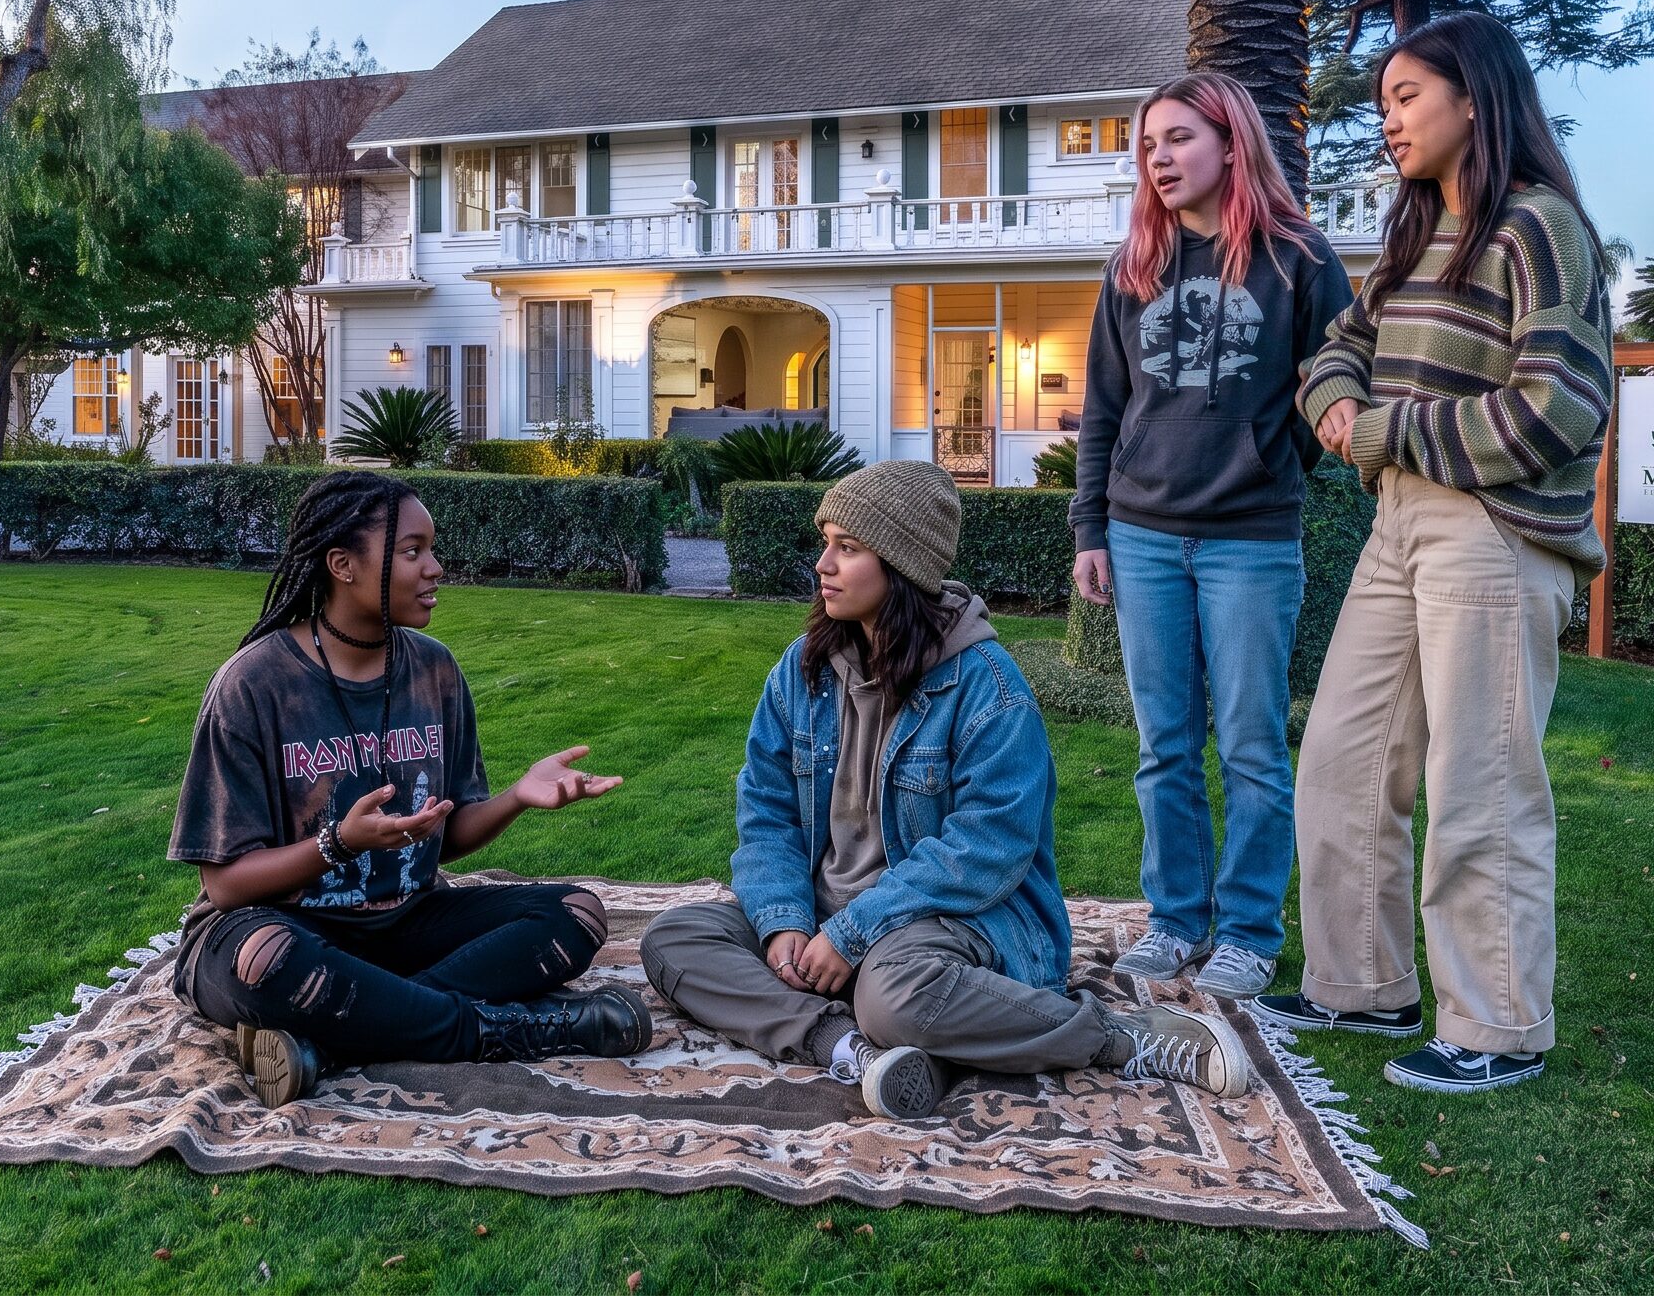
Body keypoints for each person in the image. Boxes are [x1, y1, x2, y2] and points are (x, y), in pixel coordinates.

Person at [641, 460, 1252, 1121]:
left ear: (901, 565)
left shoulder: (988, 686)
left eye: (847, 548)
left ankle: (1117, 1037)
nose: (823, 564)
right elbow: (767, 813)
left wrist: (850, 934)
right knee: (675, 939)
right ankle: (853, 1049)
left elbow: (988, 849)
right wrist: (783, 921)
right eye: (826, 543)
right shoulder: (804, 671)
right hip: (827, 913)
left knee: (893, 994)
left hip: (958, 921)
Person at [1256, 11, 1615, 1094]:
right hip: (1396, 519)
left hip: (1493, 527)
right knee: (1342, 758)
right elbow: (1338, 349)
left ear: (1474, 98)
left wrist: (1380, 429)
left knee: (1481, 781)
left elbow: (1558, 406)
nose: (1388, 121)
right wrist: (1334, 403)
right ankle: (1359, 983)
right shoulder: (1413, 236)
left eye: (1405, 96)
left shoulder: (1535, 226)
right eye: (1381, 105)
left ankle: (1496, 1025)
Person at [169, 469, 649, 1107]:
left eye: (432, 550)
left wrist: (514, 797)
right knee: (263, 958)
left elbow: (444, 840)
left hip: (404, 921)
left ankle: (339, 1037)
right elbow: (224, 884)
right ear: (342, 564)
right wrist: (337, 844)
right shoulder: (254, 685)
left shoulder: (434, 669)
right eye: (411, 551)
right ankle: (500, 1028)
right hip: (286, 925)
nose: (435, 568)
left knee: (575, 914)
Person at [1069, 71, 1353, 999]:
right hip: (1143, 534)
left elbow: (1338, 383)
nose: (1160, 158)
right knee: (1164, 744)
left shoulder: (1299, 261)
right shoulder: (1132, 270)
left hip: (1250, 542)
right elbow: (1104, 409)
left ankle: (1247, 931)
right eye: (1149, 143)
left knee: (1251, 746)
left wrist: (1276, 464)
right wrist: (1091, 529)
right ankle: (1175, 920)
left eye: (1179, 138)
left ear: (1232, 143)